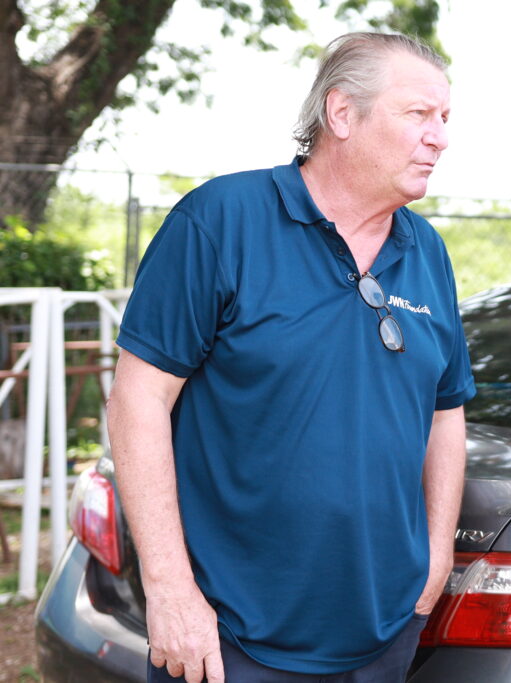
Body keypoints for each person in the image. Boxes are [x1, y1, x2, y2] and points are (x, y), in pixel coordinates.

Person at [106, 32, 475, 683]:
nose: (440, 137)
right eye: (419, 114)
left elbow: (445, 412)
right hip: (229, 638)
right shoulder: (221, 222)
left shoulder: (429, 253)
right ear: (342, 113)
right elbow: (139, 399)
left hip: (385, 632)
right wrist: (168, 589)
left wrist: (438, 550)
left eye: (445, 118)